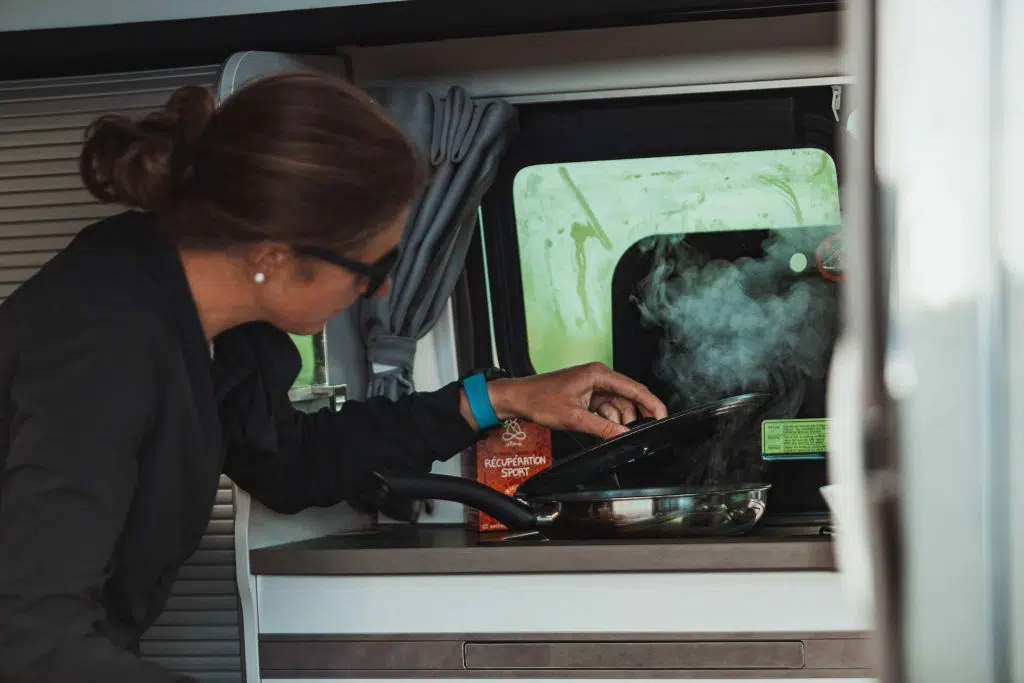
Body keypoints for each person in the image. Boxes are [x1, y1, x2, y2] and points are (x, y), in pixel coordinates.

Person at [0, 72, 667, 682]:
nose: (378, 295)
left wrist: (497, 397)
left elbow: (293, 462)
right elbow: (34, 647)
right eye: (370, 269)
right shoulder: (100, 341)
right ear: (275, 255)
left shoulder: (222, 325)